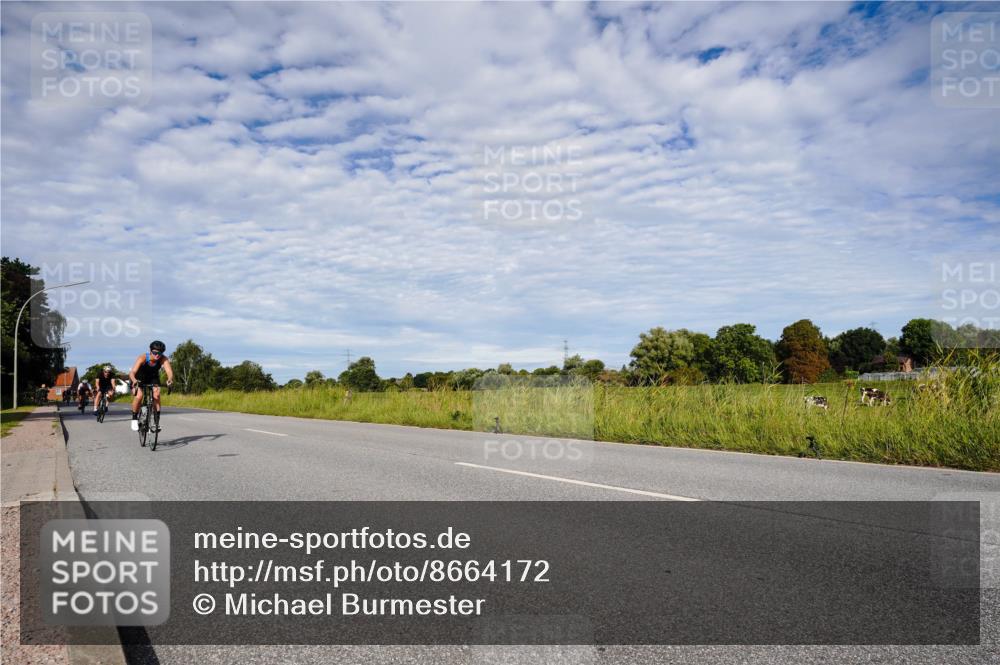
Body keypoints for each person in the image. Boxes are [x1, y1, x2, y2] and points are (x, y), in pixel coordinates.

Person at [128, 341, 174, 432]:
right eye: (155, 352)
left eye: (160, 353)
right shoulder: (143, 357)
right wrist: (134, 381)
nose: (157, 355)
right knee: (139, 395)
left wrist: (169, 379)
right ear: (150, 351)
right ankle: (134, 418)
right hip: (139, 377)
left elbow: (169, 371)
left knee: (156, 395)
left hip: (153, 377)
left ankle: (156, 422)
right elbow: (132, 372)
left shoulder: (163, 359)